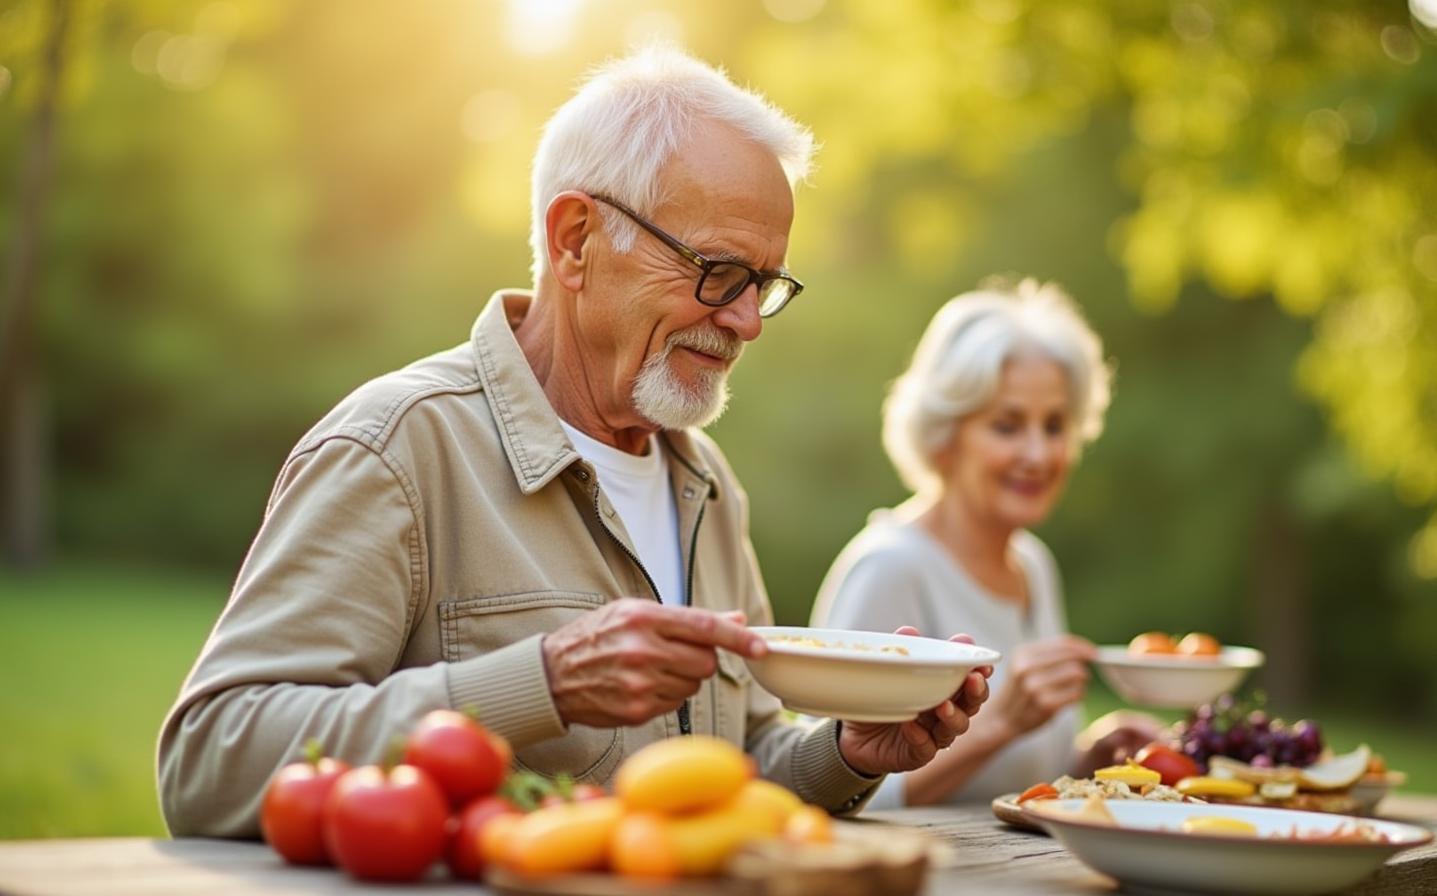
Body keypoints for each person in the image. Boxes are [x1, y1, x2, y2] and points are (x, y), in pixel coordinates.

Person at [157, 44, 988, 839]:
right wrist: (540, 683)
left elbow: (735, 768)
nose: (744, 320)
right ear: (576, 241)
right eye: (719, 272)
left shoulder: (705, 482)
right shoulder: (399, 450)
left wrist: (846, 753)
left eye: (763, 286)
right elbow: (210, 758)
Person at [809, 277, 1160, 808]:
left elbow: (1010, 781)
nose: (1039, 455)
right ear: (945, 436)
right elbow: (831, 791)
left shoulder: (1033, 566)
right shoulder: (890, 566)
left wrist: (1089, 757)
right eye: (1007, 425)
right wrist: (1000, 723)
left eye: (1056, 425)